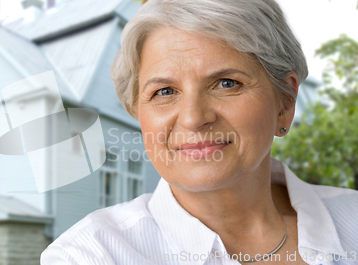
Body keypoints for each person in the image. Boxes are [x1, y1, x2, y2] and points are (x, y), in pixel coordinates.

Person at [41, 0, 358, 264]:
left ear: (284, 103)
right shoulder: (89, 255)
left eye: (227, 83)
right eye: (165, 91)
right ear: (138, 114)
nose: (194, 118)